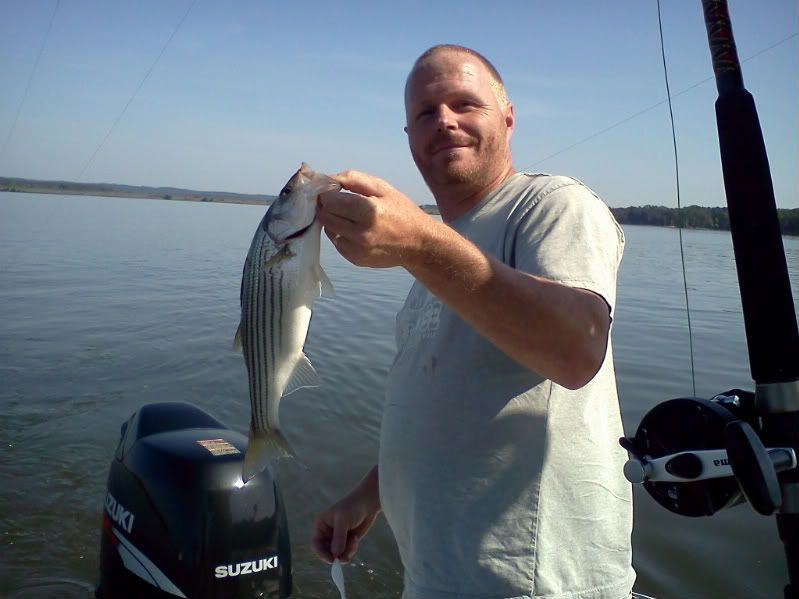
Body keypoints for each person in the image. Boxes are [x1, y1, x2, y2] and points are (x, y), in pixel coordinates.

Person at [311, 44, 634, 599]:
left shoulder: (552, 204)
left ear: (508, 117)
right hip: (436, 578)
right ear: (409, 138)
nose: (445, 122)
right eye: (424, 114)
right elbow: (447, 404)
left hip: (533, 585)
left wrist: (418, 241)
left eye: (466, 103)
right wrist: (369, 494)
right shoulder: (441, 252)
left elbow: (577, 348)